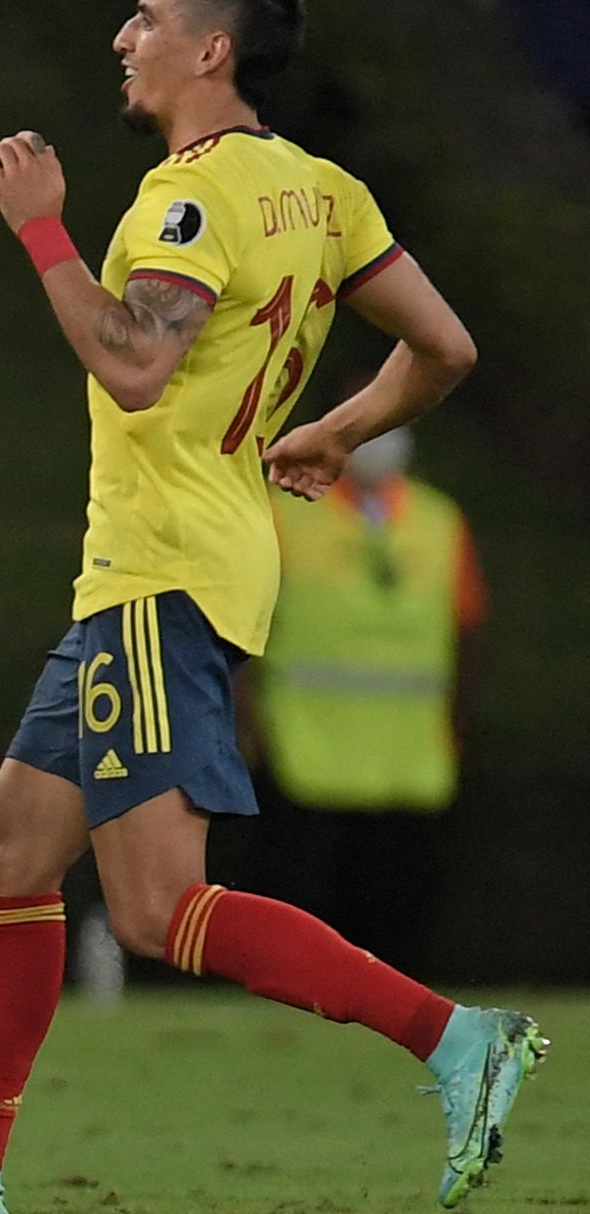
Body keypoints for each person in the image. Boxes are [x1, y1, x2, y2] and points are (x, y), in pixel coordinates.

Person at [0, 0, 543, 1214]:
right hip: (172, 570)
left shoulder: (185, 199)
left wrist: (41, 223)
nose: (123, 34)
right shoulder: (324, 191)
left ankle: (458, 1038)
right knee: (8, 852)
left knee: (160, 906)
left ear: (212, 49)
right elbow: (445, 346)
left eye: (149, 18)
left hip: (163, 575)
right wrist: (336, 427)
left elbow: (135, 364)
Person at [239, 408, 485, 970]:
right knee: (299, 911)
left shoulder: (439, 520)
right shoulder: (283, 516)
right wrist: (248, 723)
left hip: (408, 760)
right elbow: (241, 624)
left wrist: (455, 724)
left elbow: (468, 630)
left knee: (396, 915)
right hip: (305, 752)